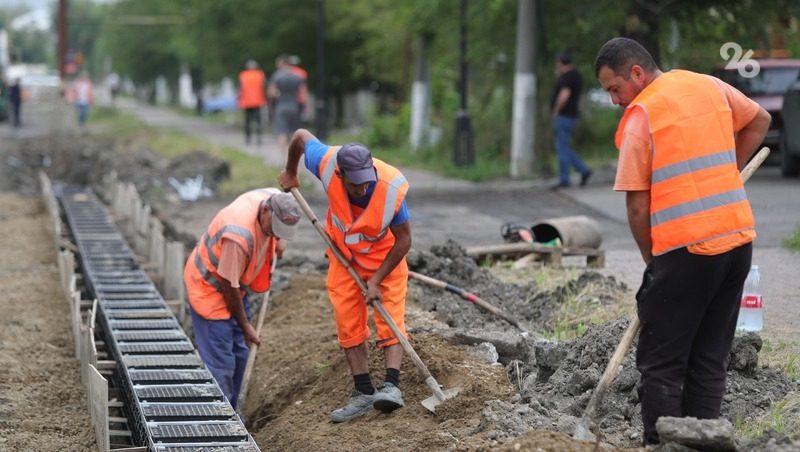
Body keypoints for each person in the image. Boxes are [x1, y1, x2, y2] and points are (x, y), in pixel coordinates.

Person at [594, 37, 771, 445]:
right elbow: (759, 120)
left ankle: (662, 444)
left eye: (614, 89)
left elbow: (638, 208)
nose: (614, 100)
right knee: (710, 358)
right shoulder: (707, 85)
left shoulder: (643, 114)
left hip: (685, 251)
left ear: (636, 73)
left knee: (662, 363)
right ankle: (703, 443)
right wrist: (729, 171)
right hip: (736, 242)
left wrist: (651, 261)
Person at [278, 129, 412, 423]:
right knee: (347, 319)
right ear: (340, 175)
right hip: (344, 257)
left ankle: (391, 386)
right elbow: (300, 136)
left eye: (367, 183)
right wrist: (291, 171)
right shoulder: (326, 162)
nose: (363, 190)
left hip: (385, 259)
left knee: (391, 317)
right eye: (355, 186)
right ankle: (363, 391)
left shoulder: (391, 188)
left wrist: (376, 280)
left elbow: (404, 241)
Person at [183, 188, 301, 408]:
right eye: (274, 228)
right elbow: (229, 286)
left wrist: (279, 240)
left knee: (241, 353)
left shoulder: (275, 198)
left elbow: (285, 193)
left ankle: (236, 409)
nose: (274, 234)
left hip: (235, 284)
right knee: (221, 363)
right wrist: (245, 324)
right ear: (266, 210)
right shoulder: (237, 237)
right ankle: (218, 417)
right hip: (210, 288)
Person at [550, 51, 592, 190]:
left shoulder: (567, 77)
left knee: (562, 147)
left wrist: (556, 110)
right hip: (571, 115)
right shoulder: (575, 75)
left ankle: (565, 179)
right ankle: (583, 170)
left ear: (560, 63)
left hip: (564, 115)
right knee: (564, 147)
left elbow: (564, 95)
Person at [268, 55, 306, 152]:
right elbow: (303, 93)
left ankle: (284, 158)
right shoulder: (297, 76)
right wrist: (305, 107)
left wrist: (278, 94)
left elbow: (271, 92)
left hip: (281, 106)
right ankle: (295, 158)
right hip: (294, 106)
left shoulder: (277, 75)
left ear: (283, 63)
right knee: (295, 133)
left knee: (281, 132)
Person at [238, 59, 267, 145]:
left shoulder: (243, 75)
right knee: (258, 120)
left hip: (246, 102)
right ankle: (259, 137)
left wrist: (239, 100)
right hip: (258, 101)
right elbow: (263, 86)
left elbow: (240, 88)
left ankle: (248, 138)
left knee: (248, 121)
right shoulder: (260, 74)